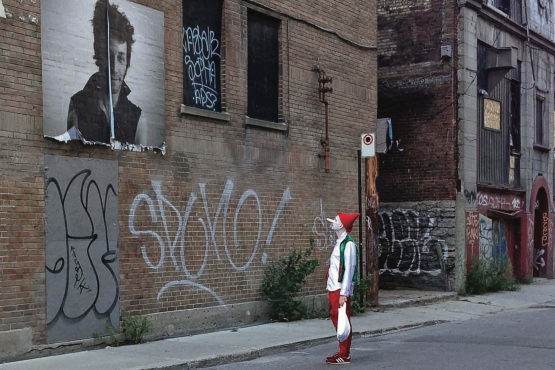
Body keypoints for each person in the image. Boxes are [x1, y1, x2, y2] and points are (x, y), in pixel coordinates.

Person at [66, 0, 141, 144]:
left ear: (127, 63)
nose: (114, 68)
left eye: (120, 58)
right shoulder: (77, 106)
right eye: (108, 56)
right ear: (99, 56)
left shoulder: (137, 118)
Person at [325, 212, 360, 365]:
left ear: (341, 225)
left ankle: (344, 354)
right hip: (334, 287)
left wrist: (344, 293)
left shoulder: (349, 244)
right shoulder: (340, 242)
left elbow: (350, 269)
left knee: (342, 319)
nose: (333, 221)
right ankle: (342, 352)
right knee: (336, 318)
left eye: (336, 220)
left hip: (340, 289)